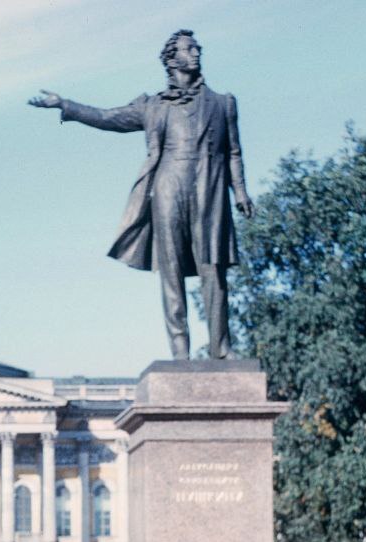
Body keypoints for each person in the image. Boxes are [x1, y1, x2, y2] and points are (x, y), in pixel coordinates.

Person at [28, 29, 254, 360]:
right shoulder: (151, 106)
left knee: (213, 269)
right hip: (167, 187)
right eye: (189, 49)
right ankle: (180, 351)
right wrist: (66, 105)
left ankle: (222, 347)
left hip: (210, 190)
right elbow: (108, 117)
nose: (196, 53)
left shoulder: (223, 103)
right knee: (171, 270)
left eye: (197, 48)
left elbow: (233, 151)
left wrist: (241, 191)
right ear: (172, 58)